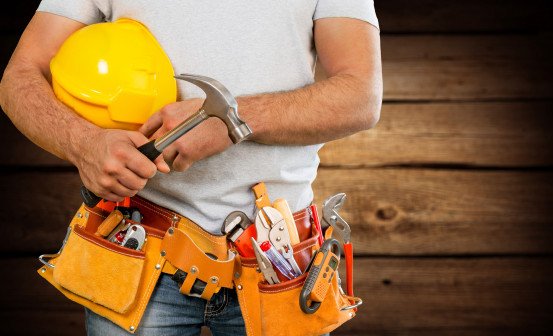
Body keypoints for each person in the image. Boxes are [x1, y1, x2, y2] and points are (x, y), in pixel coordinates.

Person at [0, 1, 382, 335]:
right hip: (138, 246)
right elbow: (19, 77)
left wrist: (233, 120)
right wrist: (83, 144)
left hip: (278, 262)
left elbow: (360, 96)